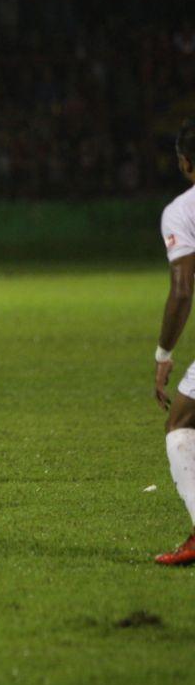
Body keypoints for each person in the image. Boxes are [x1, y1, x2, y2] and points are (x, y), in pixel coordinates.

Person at [153, 117, 195, 565]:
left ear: (185, 162)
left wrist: (164, 354)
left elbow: (182, 289)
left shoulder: (183, 210)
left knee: (181, 424)